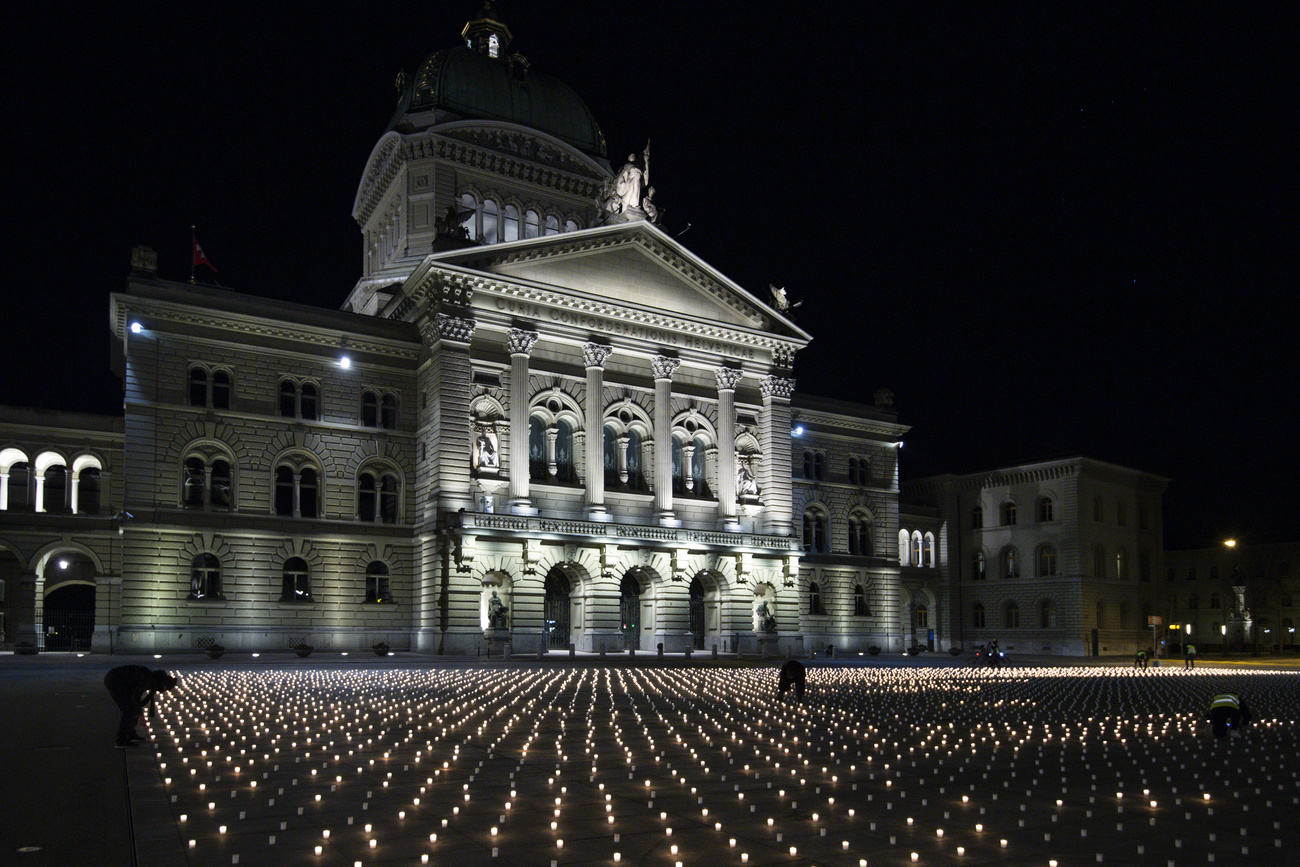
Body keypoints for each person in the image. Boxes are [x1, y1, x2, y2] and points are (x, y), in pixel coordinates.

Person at [103, 665, 177, 747]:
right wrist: (141, 716)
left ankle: (131, 733)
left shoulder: (152, 679)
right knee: (128, 710)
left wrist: (138, 710)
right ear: (162, 684)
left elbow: (139, 702)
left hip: (123, 683)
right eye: (165, 689)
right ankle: (121, 740)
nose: (162, 691)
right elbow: (136, 696)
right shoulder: (147, 679)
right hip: (115, 681)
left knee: (133, 708)